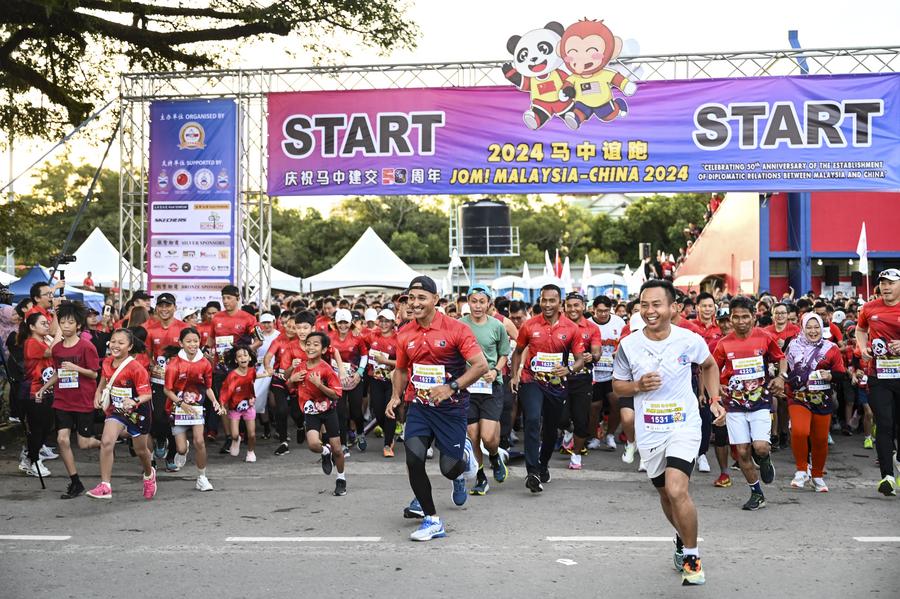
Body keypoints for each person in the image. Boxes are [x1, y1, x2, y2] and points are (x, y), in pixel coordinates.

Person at [612, 279, 724, 586]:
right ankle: (680, 536)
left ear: (673, 308)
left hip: (684, 425)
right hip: (649, 430)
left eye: (656, 304)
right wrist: (637, 386)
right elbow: (617, 385)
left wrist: (714, 400)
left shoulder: (689, 339)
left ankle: (692, 555)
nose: (650, 311)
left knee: (677, 489)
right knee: (665, 493)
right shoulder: (629, 345)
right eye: (644, 305)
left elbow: (710, 365)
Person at [386, 275, 486, 541]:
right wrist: (396, 395)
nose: (415, 303)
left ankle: (463, 458)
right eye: (411, 298)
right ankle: (432, 519)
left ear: (435, 300)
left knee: (450, 469)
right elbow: (401, 369)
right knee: (414, 457)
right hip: (419, 406)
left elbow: (480, 366)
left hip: (451, 408)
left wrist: (451, 387)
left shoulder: (456, 329)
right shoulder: (405, 332)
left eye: (421, 298)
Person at [510, 284, 585, 493]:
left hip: (556, 385)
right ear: (539, 301)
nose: (548, 304)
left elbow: (580, 360)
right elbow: (518, 352)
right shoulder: (529, 325)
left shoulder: (571, 328)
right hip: (531, 380)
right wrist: (515, 375)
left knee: (551, 428)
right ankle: (532, 471)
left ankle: (543, 466)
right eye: (544, 300)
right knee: (532, 420)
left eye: (552, 301)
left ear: (560, 303)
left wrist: (568, 369)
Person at [713, 296, 786, 511]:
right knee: (743, 452)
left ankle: (764, 458)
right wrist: (716, 387)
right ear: (731, 319)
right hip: (734, 406)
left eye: (746, 317)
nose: (741, 321)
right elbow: (711, 369)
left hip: (760, 403)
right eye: (736, 317)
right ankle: (757, 494)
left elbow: (781, 357)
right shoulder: (723, 344)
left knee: (760, 447)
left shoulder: (764, 337)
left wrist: (781, 377)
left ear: (754, 317)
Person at [36, 303, 101, 498]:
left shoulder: (87, 347)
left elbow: (94, 374)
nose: (65, 326)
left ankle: (105, 443)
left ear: (78, 325)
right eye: (62, 322)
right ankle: (75, 482)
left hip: (82, 400)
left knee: (84, 443)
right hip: (63, 399)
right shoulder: (56, 349)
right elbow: (58, 372)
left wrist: (75, 368)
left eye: (70, 322)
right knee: (62, 439)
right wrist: (43, 388)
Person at [86, 328, 156, 500]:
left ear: (130, 346)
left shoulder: (137, 368)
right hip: (116, 410)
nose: (115, 345)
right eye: (113, 341)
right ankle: (105, 486)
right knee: (106, 441)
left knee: (140, 450)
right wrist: (97, 394)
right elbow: (104, 380)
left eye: (121, 342)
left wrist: (134, 401)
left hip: (137, 413)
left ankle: (149, 474)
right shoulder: (107, 362)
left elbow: (147, 394)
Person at [785, 313, 845, 492]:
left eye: (816, 327)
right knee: (799, 431)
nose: (813, 331)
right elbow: (784, 366)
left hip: (822, 399)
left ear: (822, 328)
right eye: (809, 327)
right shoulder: (792, 346)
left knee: (820, 439)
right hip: (798, 397)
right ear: (802, 328)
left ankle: (817, 476)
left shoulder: (831, 348)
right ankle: (801, 470)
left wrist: (831, 375)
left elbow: (841, 373)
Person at [460, 285, 511, 492]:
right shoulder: (460, 325)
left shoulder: (497, 326)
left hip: (491, 385)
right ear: (468, 302)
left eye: (482, 302)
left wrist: (496, 371)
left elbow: (504, 354)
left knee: (488, 437)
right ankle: (481, 476)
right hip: (468, 387)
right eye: (474, 301)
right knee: (473, 435)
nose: (478, 306)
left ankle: (495, 456)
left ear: (489, 304)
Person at [855, 268, 900, 496]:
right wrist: (863, 348)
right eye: (883, 283)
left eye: (891, 282)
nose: (886, 287)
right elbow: (860, 329)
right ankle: (887, 477)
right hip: (879, 374)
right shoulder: (869, 307)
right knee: (884, 424)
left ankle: (898, 462)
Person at [164, 327, 226, 491]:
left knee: (199, 441)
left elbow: (208, 387)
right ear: (181, 343)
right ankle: (182, 450)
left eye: (196, 341)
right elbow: (167, 390)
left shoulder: (205, 363)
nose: (193, 344)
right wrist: (180, 403)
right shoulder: (174, 364)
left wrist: (215, 402)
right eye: (188, 341)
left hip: (197, 409)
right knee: (181, 449)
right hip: (177, 409)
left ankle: (202, 477)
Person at [290, 332, 347, 496]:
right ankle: (325, 452)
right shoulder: (300, 367)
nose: (310, 347)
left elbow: (336, 394)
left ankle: (341, 479)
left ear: (323, 350)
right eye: (308, 344)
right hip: (311, 411)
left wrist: (319, 385)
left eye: (315, 344)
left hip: (329, 411)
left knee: (338, 449)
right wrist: (291, 379)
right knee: (313, 445)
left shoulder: (326, 369)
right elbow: (290, 386)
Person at [208, 285, 257, 452]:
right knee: (223, 401)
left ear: (237, 298)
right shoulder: (216, 318)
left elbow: (259, 340)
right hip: (220, 367)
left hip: (240, 368)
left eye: (229, 298)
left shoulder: (248, 318)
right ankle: (229, 437)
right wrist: (207, 353)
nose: (226, 301)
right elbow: (210, 342)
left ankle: (242, 432)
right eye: (224, 298)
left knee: (242, 400)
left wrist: (244, 352)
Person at [143, 293, 187, 470]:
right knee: (159, 417)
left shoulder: (183, 328)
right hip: (158, 380)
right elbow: (146, 352)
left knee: (175, 419)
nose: (164, 309)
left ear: (175, 307)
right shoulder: (151, 330)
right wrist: (152, 365)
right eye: (161, 306)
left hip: (179, 382)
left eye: (168, 305)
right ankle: (161, 438)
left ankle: (172, 455)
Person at [560, 291, 601, 471]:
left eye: (577, 305)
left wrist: (591, 356)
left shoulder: (592, 328)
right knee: (559, 417)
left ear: (584, 306)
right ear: (564, 307)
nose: (573, 309)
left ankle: (576, 455)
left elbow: (597, 352)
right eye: (569, 306)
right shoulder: (558, 325)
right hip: (559, 378)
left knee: (581, 419)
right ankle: (566, 429)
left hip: (582, 379)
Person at [587, 295, 628, 458]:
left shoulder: (619, 322)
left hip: (614, 372)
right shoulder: (588, 324)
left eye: (606, 311)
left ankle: (610, 434)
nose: (603, 314)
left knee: (616, 401)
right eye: (599, 311)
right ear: (593, 310)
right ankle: (595, 437)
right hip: (594, 372)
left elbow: (625, 343)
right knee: (594, 406)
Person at [19, 312, 56, 478]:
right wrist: (60, 332)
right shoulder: (31, 343)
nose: (47, 325)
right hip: (34, 392)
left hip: (47, 390)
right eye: (43, 323)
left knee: (47, 426)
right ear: (32, 327)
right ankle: (33, 460)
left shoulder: (46, 339)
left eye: (47, 322)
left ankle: (29, 457)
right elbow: (51, 352)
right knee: (38, 428)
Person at [330, 308, 369, 453]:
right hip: (337, 380)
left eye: (345, 322)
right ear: (336, 323)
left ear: (350, 322)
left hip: (355, 379)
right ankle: (343, 443)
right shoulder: (330, 338)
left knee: (356, 411)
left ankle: (360, 434)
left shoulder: (357, 337)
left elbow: (365, 355)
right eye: (340, 322)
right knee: (340, 412)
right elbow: (327, 357)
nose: (343, 326)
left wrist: (360, 372)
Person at [764, 302, 802, 449]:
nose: (780, 316)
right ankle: (774, 434)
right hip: (771, 371)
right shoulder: (766, 331)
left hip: (791, 371)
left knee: (785, 403)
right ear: (772, 315)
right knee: (774, 401)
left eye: (783, 313)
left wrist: (785, 345)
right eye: (777, 313)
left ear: (787, 315)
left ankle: (785, 431)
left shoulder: (797, 330)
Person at [367, 308, 399, 457]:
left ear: (393, 323)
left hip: (392, 380)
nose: (384, 324)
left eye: (387, 321)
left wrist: (385, 361)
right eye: (382, 320)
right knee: (379, 412)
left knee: (390, 411)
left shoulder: (398, 338)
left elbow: (403, 362)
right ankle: (389, 434)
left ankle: (387, 445)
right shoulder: (372, 335)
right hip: (375, 379)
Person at [220, 345, 258, 462]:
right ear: (236, 360)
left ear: (250, 358)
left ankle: (250, 452)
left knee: (251, 434)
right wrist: (222, 405)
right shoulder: (232, 376)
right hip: (234, 408)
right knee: (235, 435)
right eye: (239, 356)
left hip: (249, 406)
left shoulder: (252, 371)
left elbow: (251, 383)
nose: (243, 358)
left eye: (245, 355)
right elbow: (226, 391)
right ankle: (236, 440)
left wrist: (252, 398)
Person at [253, 312, 280, 439]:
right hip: (260, 371)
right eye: (264, 322)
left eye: (269, 322)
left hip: (275, 369)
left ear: (274, 322)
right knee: (260, 398)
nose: (267, 325)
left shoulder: (279, 336)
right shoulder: (257, 337)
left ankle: (277, 424)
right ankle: (266, 428)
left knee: (274, 400)